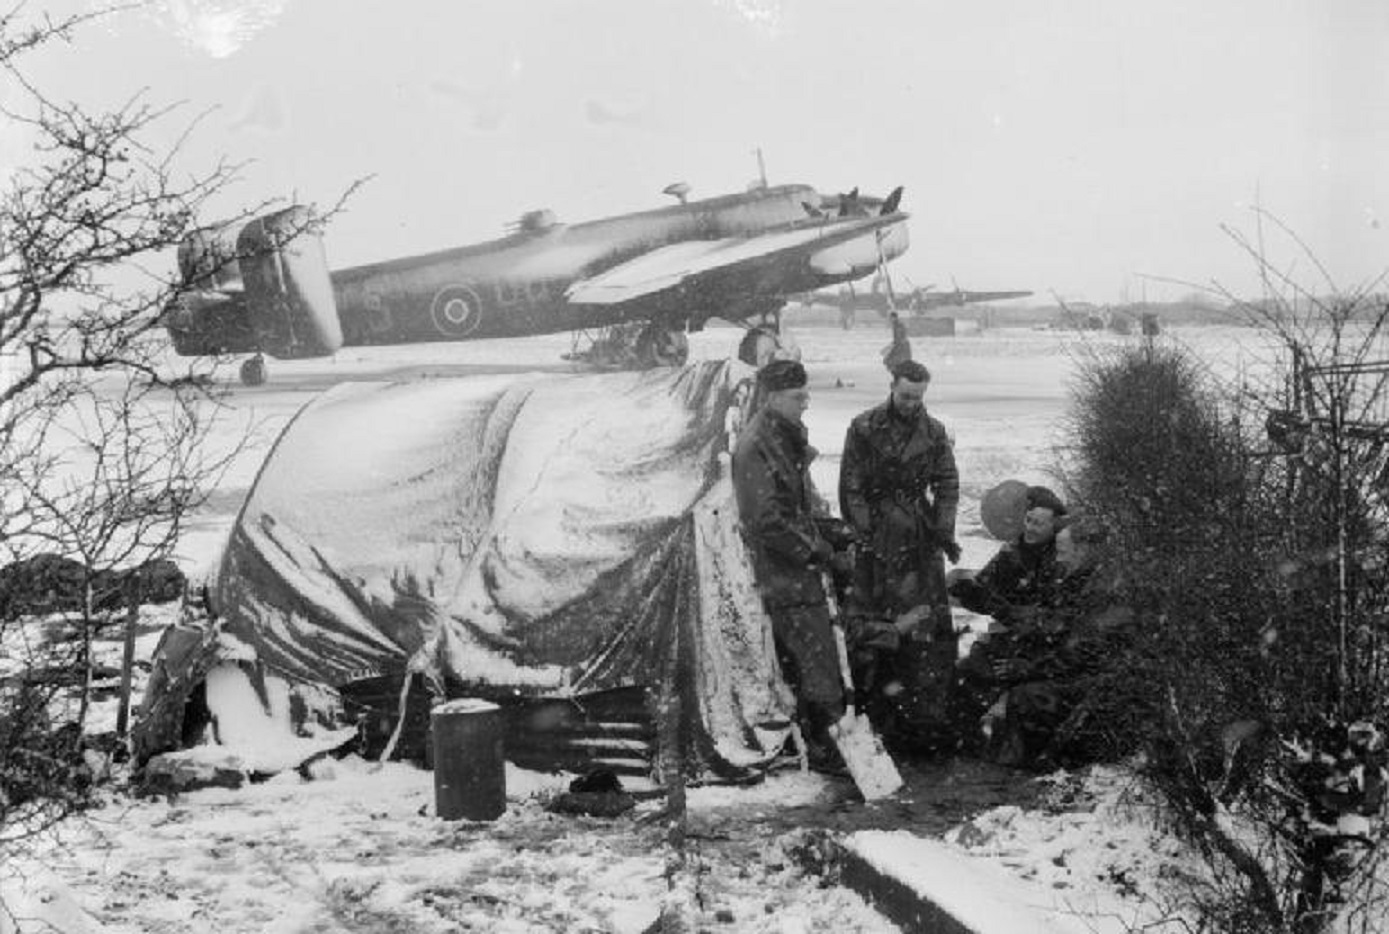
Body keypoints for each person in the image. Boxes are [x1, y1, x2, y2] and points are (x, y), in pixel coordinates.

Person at [839, 359, 961, 753]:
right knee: (874, 616)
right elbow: (851, 486)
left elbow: (947, 484)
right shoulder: (863, 427)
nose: (911, 403)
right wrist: (864, 533)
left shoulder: (934, 432)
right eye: (906, 395)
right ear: (892, 386)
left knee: (928, 623)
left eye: (918, 397)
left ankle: (924, 713)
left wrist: (942, 530)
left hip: (919, 536)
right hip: (878, 533)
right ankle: (878, 708)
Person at [732, 359, 845, 766]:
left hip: (798, 569)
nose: (806, 403)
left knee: (818, 657)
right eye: (798, 397)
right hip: (783, 573)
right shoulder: (757, 445)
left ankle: (825, 737)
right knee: (815, 659)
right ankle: (827, 744)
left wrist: (829, 533)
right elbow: (766, 521)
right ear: (772, 397)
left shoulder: (783, 434)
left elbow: (793, 504)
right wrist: (815, 550)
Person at [949, 485, 1068, 623]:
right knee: (955, 579)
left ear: (1054, 526)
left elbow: (1049, 614)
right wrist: (971, 592)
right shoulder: (1015, 547)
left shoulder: (1062, 554)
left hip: (1038, 624)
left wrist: (1004, 610)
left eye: (1038, 524)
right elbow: (987, 581)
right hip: (1017, 608)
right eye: (1028, 519)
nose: (1029, 528)